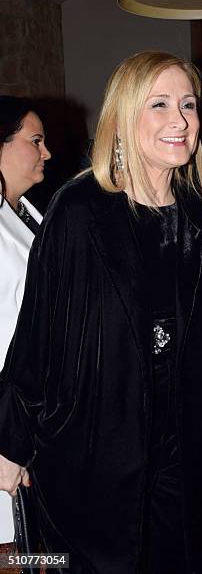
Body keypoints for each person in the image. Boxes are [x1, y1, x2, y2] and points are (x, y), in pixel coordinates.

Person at [0, 51, 202, 573]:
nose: (180, 120)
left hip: (185, 438)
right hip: (97, 442)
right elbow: (38, 333)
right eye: (160, 104)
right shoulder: (81, 210)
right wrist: (10, 443)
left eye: (189, 104)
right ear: (123, 116)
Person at [0, 95, 50, 547]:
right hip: (5, 424)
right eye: (35, 141)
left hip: (33, 411)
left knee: (38, 549)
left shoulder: (29, 211)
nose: (46, 152)